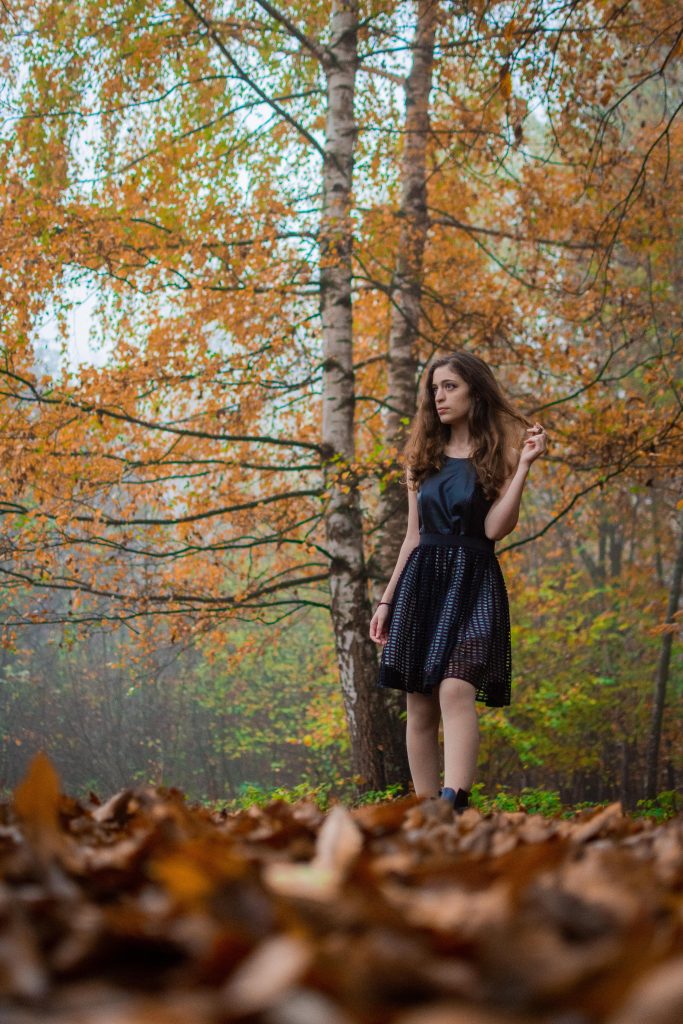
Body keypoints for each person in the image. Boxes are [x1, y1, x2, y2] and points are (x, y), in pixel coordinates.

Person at [369, 352, 547, 813]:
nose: (439, 396)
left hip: (474, 582)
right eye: (434, 388)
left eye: (449, 386)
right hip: (423, 582)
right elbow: (412, 538)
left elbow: (494, 530)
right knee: (420, 701)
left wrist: (524, 467)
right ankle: (427, 812)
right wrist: (386, 602)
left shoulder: (499, 456)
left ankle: (455, 801)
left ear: (474, 390)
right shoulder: (421, 460)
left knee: (455, 687)